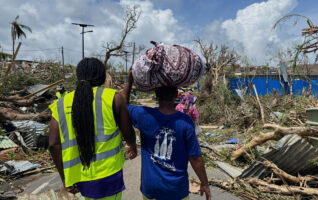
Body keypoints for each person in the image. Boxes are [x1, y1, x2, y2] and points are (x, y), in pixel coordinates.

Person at [48, 58, 137, 200]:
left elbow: (53, 145)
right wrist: (132, 146)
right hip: (108, 174)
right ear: (102, 76)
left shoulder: (60, 104)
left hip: (78, 176)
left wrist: (65, 178)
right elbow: (128, 133)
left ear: (78, 76)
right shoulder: (112, 98)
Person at [122, 70, 211, 200]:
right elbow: (195, 158)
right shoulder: (185, 122)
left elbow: (122, 106)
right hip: (176, 190)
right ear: (176, 95)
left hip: (151, 188)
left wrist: (129, 81)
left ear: (156, 95)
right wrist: (204, 183)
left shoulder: (144, 115)